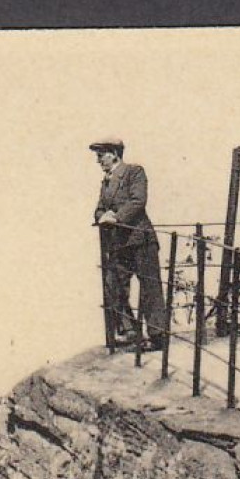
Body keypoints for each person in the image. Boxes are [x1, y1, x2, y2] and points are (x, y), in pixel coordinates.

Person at [91, 137, 167, 350]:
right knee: (113, 285)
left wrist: (115, 217)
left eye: (101, 155)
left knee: (150, 288)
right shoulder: (106, 181)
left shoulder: (134, 172)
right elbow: (98, 208)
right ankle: (131, 331)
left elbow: (138, 201)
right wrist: (102, 215)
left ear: (114, 153)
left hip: (140, 239)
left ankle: (157, 336)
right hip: (119, 244)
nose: (98, 161)